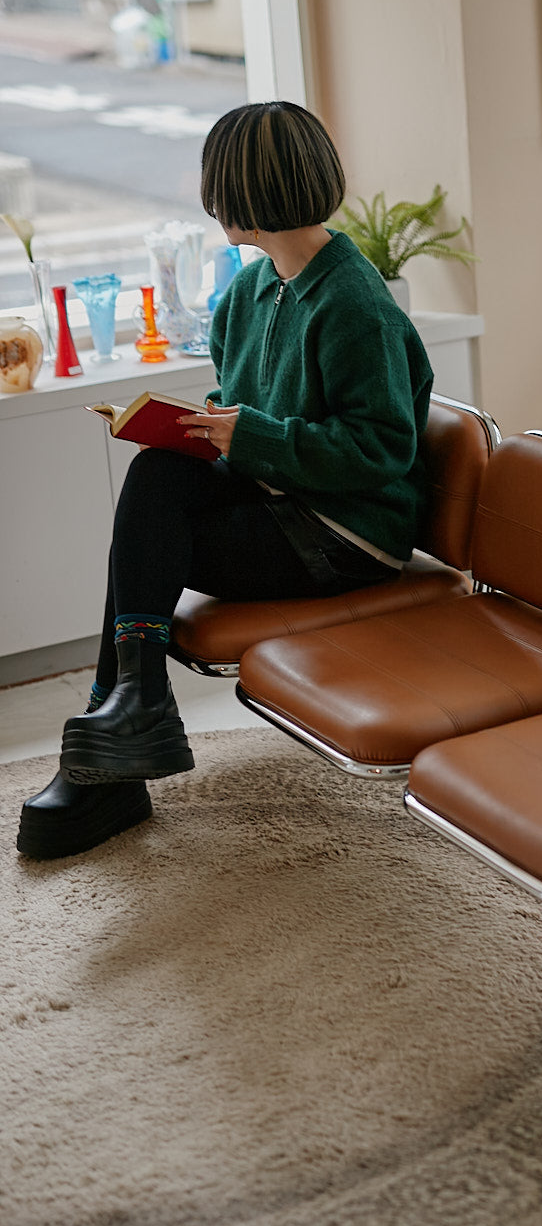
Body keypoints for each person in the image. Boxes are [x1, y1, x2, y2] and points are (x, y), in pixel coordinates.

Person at [18, 101, 434, 860]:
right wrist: (204, 426)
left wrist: (251, 432)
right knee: (154, 477)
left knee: (145, 541)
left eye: (215, 185)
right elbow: (251, 407)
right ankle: (129, 714)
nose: (208, 202)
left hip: (346, 536)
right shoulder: (249, 292)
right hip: (281, 499)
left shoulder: (355, 304)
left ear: (248, 193)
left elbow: (381, 451)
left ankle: (113, 740)